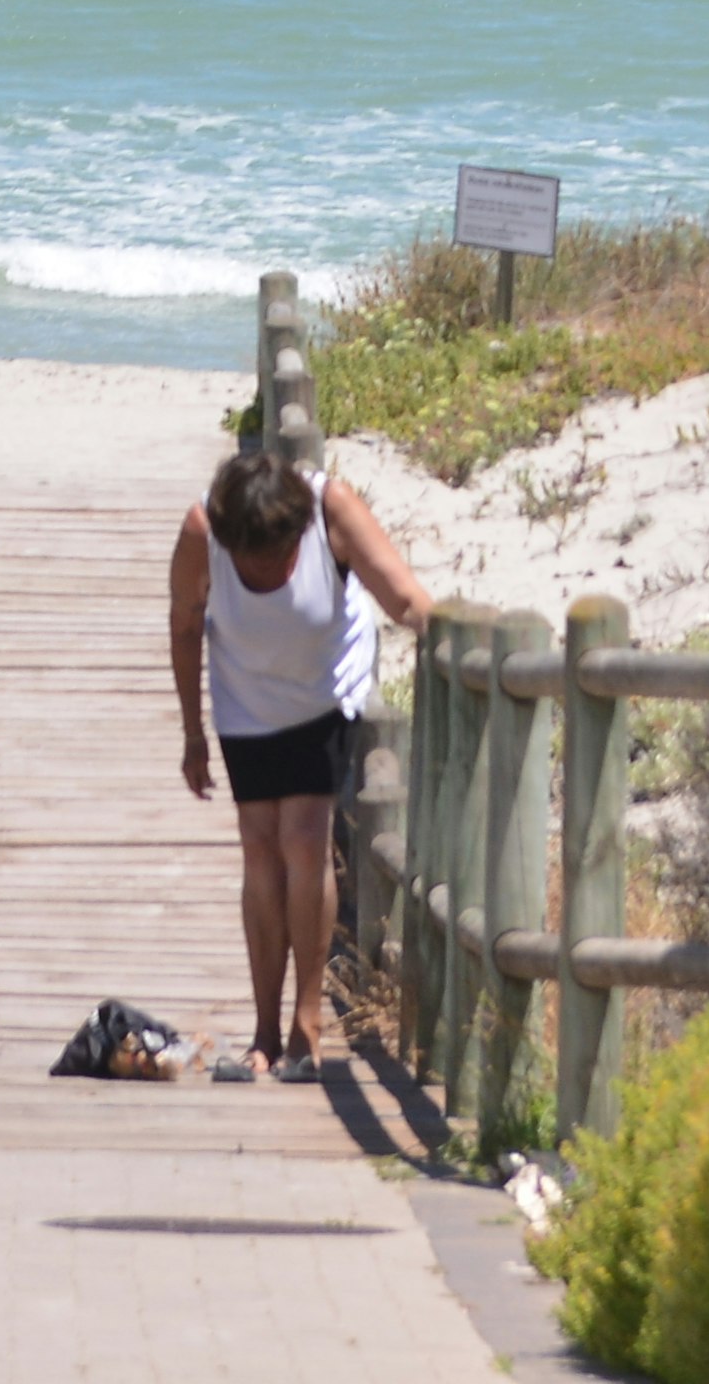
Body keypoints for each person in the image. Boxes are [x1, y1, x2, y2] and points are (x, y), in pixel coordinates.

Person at [168, 435, 432, 1073]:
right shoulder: (203, 530)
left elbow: (405, 599)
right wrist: (193, 732)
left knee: (305, 839)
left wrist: (458, 638)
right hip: (245, 699)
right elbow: (184, 623)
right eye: (249, 559)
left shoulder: (332, 508)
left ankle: (306, 1023)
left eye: (276, 557)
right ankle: (264, 1031)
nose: (263, 571)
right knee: (260, 849)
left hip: (325, 692)